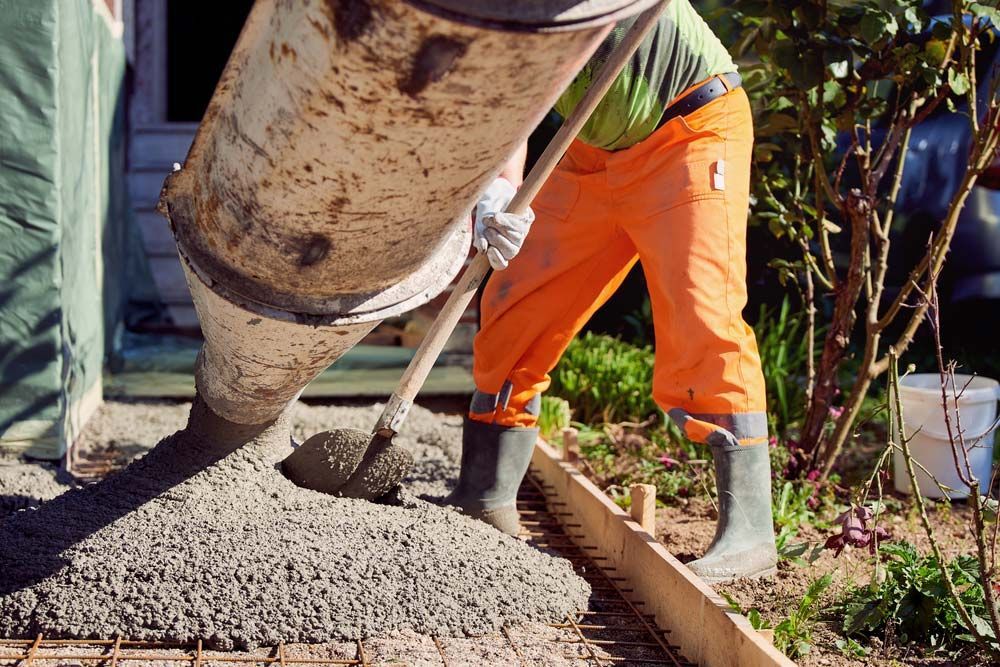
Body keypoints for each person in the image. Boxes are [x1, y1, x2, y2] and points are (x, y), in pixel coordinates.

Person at [445, 0, 776, 584]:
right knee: (518, 303)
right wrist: (500, 190)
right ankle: (484, 497)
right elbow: (514, 84)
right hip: (589, 149)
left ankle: (749, 534)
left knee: (703, 311)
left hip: (689, 129)